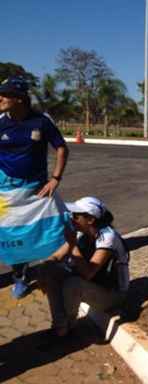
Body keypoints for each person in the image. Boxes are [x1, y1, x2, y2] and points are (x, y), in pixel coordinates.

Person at [0, 76, 69, 299]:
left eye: (5, 94)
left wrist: (55, 179)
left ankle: (59, 266)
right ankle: (19, 277)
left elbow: (61, 148)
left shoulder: (41, 121)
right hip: (6, 191)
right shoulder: (1, 120)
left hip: (36, 188)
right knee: (14, 231)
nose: (0, 98)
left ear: (19, 98)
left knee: (57, 224)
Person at [37, 197, 129, 337]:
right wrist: (44, 268)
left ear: (90, 220)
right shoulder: (82, 233)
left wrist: (73, 245)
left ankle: (67, 328)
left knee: (73, 284)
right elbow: (57, 256)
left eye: (76, 216)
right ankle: (60, 327)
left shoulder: (108, 238)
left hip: (113, 294)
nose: (71, 219)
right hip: (93, 286)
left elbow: (88, 273)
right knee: (50, 271)